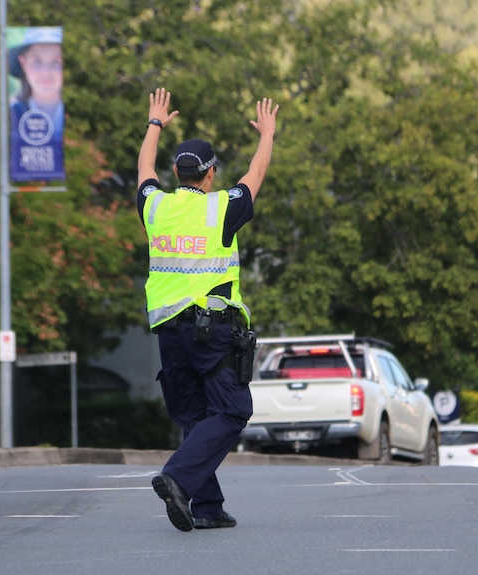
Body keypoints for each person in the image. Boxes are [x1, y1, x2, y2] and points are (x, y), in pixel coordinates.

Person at [137, 88, 279, 532]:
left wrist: (154, 124)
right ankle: (177, 477)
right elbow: (257, 171)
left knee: (194, 417)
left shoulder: (155, 206)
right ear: (211, 173)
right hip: (210, 332)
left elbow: (142, 170)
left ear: (176, 173)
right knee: (234, 411)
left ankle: (208, 507)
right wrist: (268, 134)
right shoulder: (221, 209)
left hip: (169, 335)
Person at [8, 27, 64, 181]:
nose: (46, 73)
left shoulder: (74, 117)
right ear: (23, 62)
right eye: (37, 62)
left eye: (55, 62)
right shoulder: (11, 114)